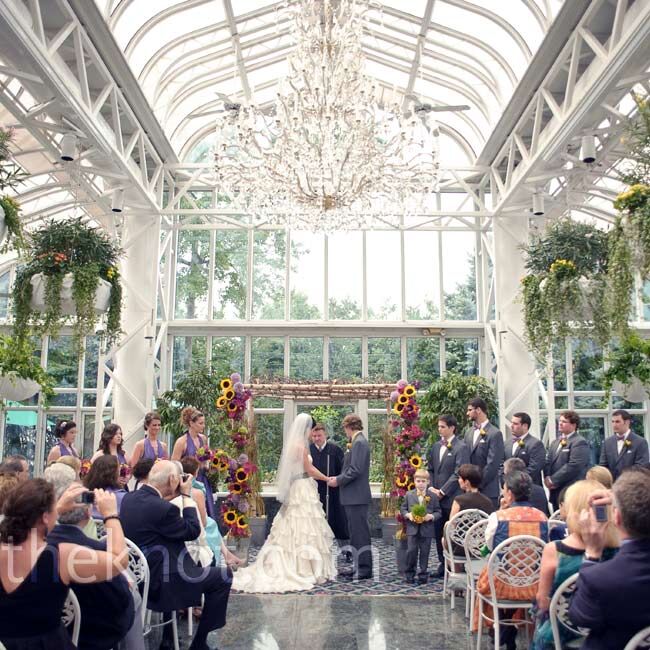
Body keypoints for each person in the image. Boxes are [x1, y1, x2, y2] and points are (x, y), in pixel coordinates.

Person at [0, 479, 128, 650]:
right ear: (45, 516)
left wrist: (56, 509)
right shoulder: (63, 556)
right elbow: (119, 561)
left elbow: (33, 527)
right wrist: (111, 515)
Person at [120, 460, 232, 650]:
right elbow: (193, 530)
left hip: (139, 578)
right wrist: (187, 496)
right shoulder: (165, 509)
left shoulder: (129, 499)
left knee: (174, 560)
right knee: (224, 576)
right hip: (165, 583)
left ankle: (168, 637)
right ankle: (199, 643)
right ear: (173, 479)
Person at [233, 413, 336, 592]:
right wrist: (326, 478)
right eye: (312, 430)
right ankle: (304, 567)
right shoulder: (302, 447)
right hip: (303, 487)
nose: (313, 434)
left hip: (298, 485)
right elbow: (309, 469)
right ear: (308, 429)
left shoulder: (294, 446)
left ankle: (302, 564)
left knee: (295, 525)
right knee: (305, 525)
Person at [46, 471, 143, 650]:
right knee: (133, 597)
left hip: (50, 626)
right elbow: (120, 569)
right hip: (94, 632)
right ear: (89, 512)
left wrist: (57, 508)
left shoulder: (38, 545)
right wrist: (111, 515)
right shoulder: (92, 552)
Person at [532, 480, 619, 650]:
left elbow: (543, 603)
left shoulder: (555, 550)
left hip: (561, 636)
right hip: (608, 634)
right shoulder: (621, 551)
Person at [568, 470, 650, 649]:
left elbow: (578, 617)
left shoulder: (600, 579)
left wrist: (592, 552)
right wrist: (623, 497)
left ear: (617, 518)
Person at [475, 471, 549, 650]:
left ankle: (501, 629)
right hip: (534, 584)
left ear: (509, 493)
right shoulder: (542, 517)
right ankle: (509, 629)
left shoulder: (498, 517)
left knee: (488, 577)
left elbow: (490, 547)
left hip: (502, 583)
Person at [328, 413, 373, 581]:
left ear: (348, 427)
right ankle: (357, 565)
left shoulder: (360, 443)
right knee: (354, 534)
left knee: (360, 534)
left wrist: (338, 481)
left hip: (357, 496)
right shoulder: (356, 442)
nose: (345, 432)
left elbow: (355, 469)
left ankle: (364, 569)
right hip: (352, 496)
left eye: (345, 428)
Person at [426, 414, 470, 577]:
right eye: (438, 427)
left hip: (452, 497)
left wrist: (443, 491)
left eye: (443, 427)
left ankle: (455, 565)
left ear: (452, 428)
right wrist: (431, 487)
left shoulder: (461, 447)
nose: (439, 430)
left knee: (453, 532)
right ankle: (441, 563)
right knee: (438, 532)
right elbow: (430, 468)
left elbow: (459, 472)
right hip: (436, 497)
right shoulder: (436, 446)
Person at [171, 407, 215, 518]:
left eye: (204, 423)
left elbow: (206, 460)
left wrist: (210, 466)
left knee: (206, 509)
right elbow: (174, 465)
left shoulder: (203, 439)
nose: (203, 426)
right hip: (188, 481)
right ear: (191, 423)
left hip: (202, 478)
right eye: (200, 423)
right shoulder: (181, 442)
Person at [309, 421, 349, 542]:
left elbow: (343, 469)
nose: (316, 438)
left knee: (338, 519)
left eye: (319, 435)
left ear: (325, 434)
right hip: (314, 490)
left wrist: (337, 480)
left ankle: (345, 548)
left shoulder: (335, 449)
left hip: (333, 490)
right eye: (314, 436)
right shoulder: (309, 450)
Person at [400, 468, 441, 584]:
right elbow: (403, 509)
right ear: (414, 481)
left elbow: (438, 512)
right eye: (418, 481)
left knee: (425, 552)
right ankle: (409, 574)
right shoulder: (409, 495)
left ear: (428, 482)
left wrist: (431, 516)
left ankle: (423, 574)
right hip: (412, 529)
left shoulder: (432, 496)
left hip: (427, 529)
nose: (421, 484)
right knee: (411, 551)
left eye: (423, 481)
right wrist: (408, 515)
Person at [544, 411, 590, 511]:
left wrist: (553, 480)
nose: (560, 423)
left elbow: (574, 465)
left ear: (574, 425)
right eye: (559, 421)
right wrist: (547, 477)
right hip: (555, 491)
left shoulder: (579, 442)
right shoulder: (555, 442)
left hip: (570, 489)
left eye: (564, 421)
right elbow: (548, 462)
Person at [465, 398, 505, 509]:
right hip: (469, 491)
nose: (467, 413)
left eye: (469, 410)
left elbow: (493, 464)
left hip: (487, 489)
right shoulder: (468, 432)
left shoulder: (495, 433)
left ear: (478, 410)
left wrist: (477, 484)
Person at [599, 409, 649, 481]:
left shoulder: (640, 442)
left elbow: (641, 467)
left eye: (617, 421)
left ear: (627, 422)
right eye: (612, 422)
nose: (614, 425)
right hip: (611, 486)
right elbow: (603, 465)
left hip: (631, 485)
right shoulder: (607, 442)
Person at [504, 412, 546, 485]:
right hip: (509, 487)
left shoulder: (535, 444)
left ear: (525, 426)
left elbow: (534, 468)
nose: (511, 426)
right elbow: (501, 463)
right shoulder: (507, 443)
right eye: (511, 423)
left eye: (515, 424)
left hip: (529, 488)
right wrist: (504, 480)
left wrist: (515, 482)